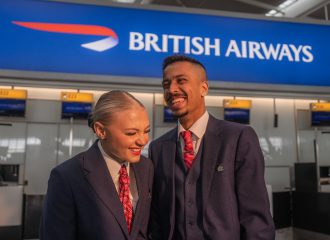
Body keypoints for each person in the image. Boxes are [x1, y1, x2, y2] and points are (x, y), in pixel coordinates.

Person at [148, 55, 275, 240]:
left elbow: (256, 217)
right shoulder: (158, 147)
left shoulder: (238, 137)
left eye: (181, 81)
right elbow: (156, 216)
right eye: (166, 85)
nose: (172, 89)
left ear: (203, 88)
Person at [40, 90, 154, 240]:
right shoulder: (68, 176)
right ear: (100, 130)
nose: (143, 141)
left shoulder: (146, 167)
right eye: (131, 133)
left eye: (146, 131)